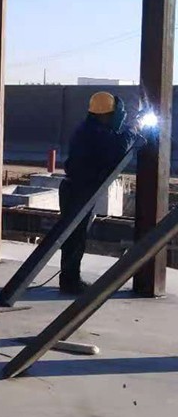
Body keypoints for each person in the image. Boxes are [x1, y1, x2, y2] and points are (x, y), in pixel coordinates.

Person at [58, 92, 142, 295]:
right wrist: (134, 129)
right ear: (108, 114)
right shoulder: (95, 132)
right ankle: (70, 282)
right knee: (75, 239)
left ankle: (69, 279)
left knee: (74, 238)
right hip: (78, 191)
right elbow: (119, 147)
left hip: (76, 189)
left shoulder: (92, 129)